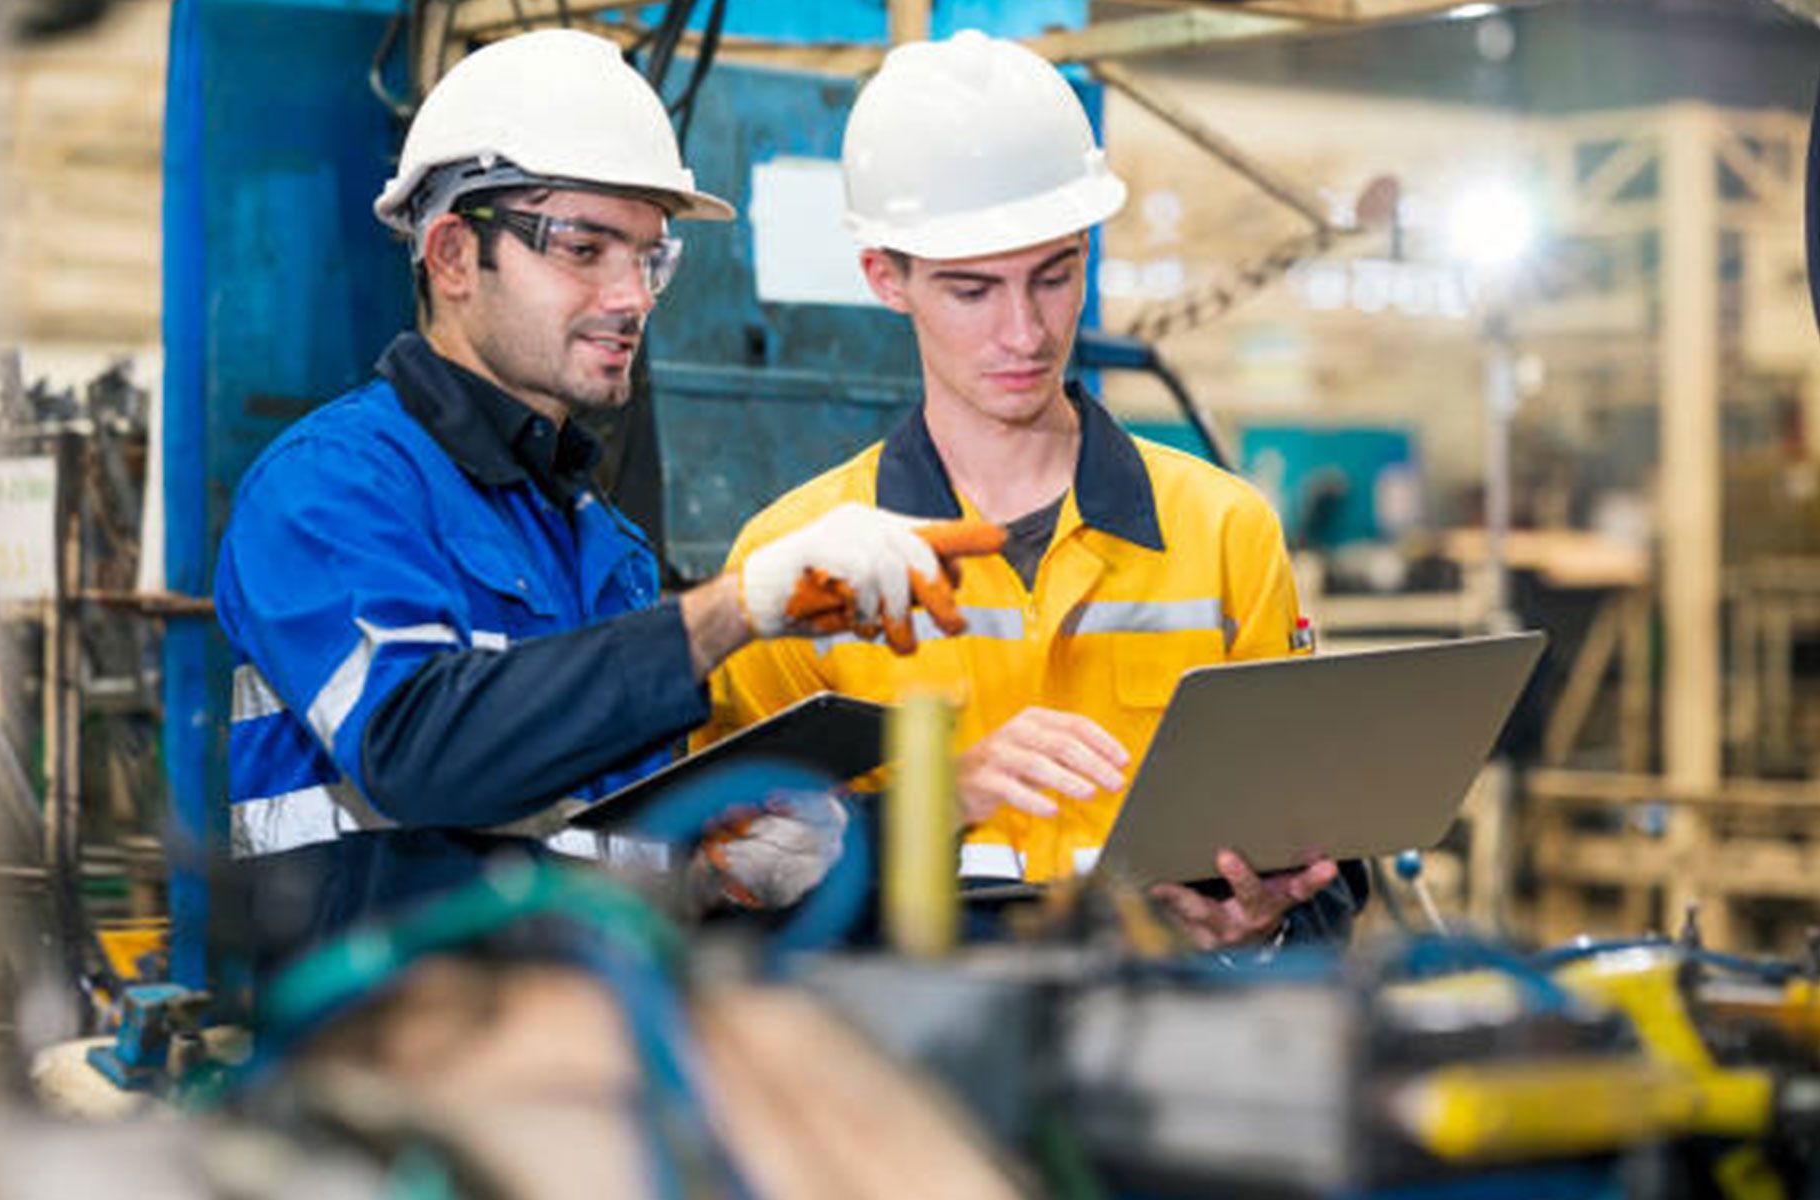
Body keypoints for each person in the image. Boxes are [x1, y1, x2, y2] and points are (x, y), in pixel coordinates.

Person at [214, 29, 995, 954]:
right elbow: (417, 755)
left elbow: (596, 847)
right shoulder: (330, 487)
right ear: (455, 255)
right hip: (380, 1057)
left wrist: (720, 869)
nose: (632, 297)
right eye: (585, 248)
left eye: (651, 259)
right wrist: (730, 612)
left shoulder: (605, 544)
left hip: (591, 1045)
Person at [703, 30, 1361, 950]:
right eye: (973, 292)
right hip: (907, 1058)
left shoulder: (1224, 531)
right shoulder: (794, 560)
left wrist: (1259, 927)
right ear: (885, 278)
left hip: (1168, 1037)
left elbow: (1323, 851)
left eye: (1053, 278)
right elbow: (736, 889)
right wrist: (944, 798)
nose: (1024, 332)